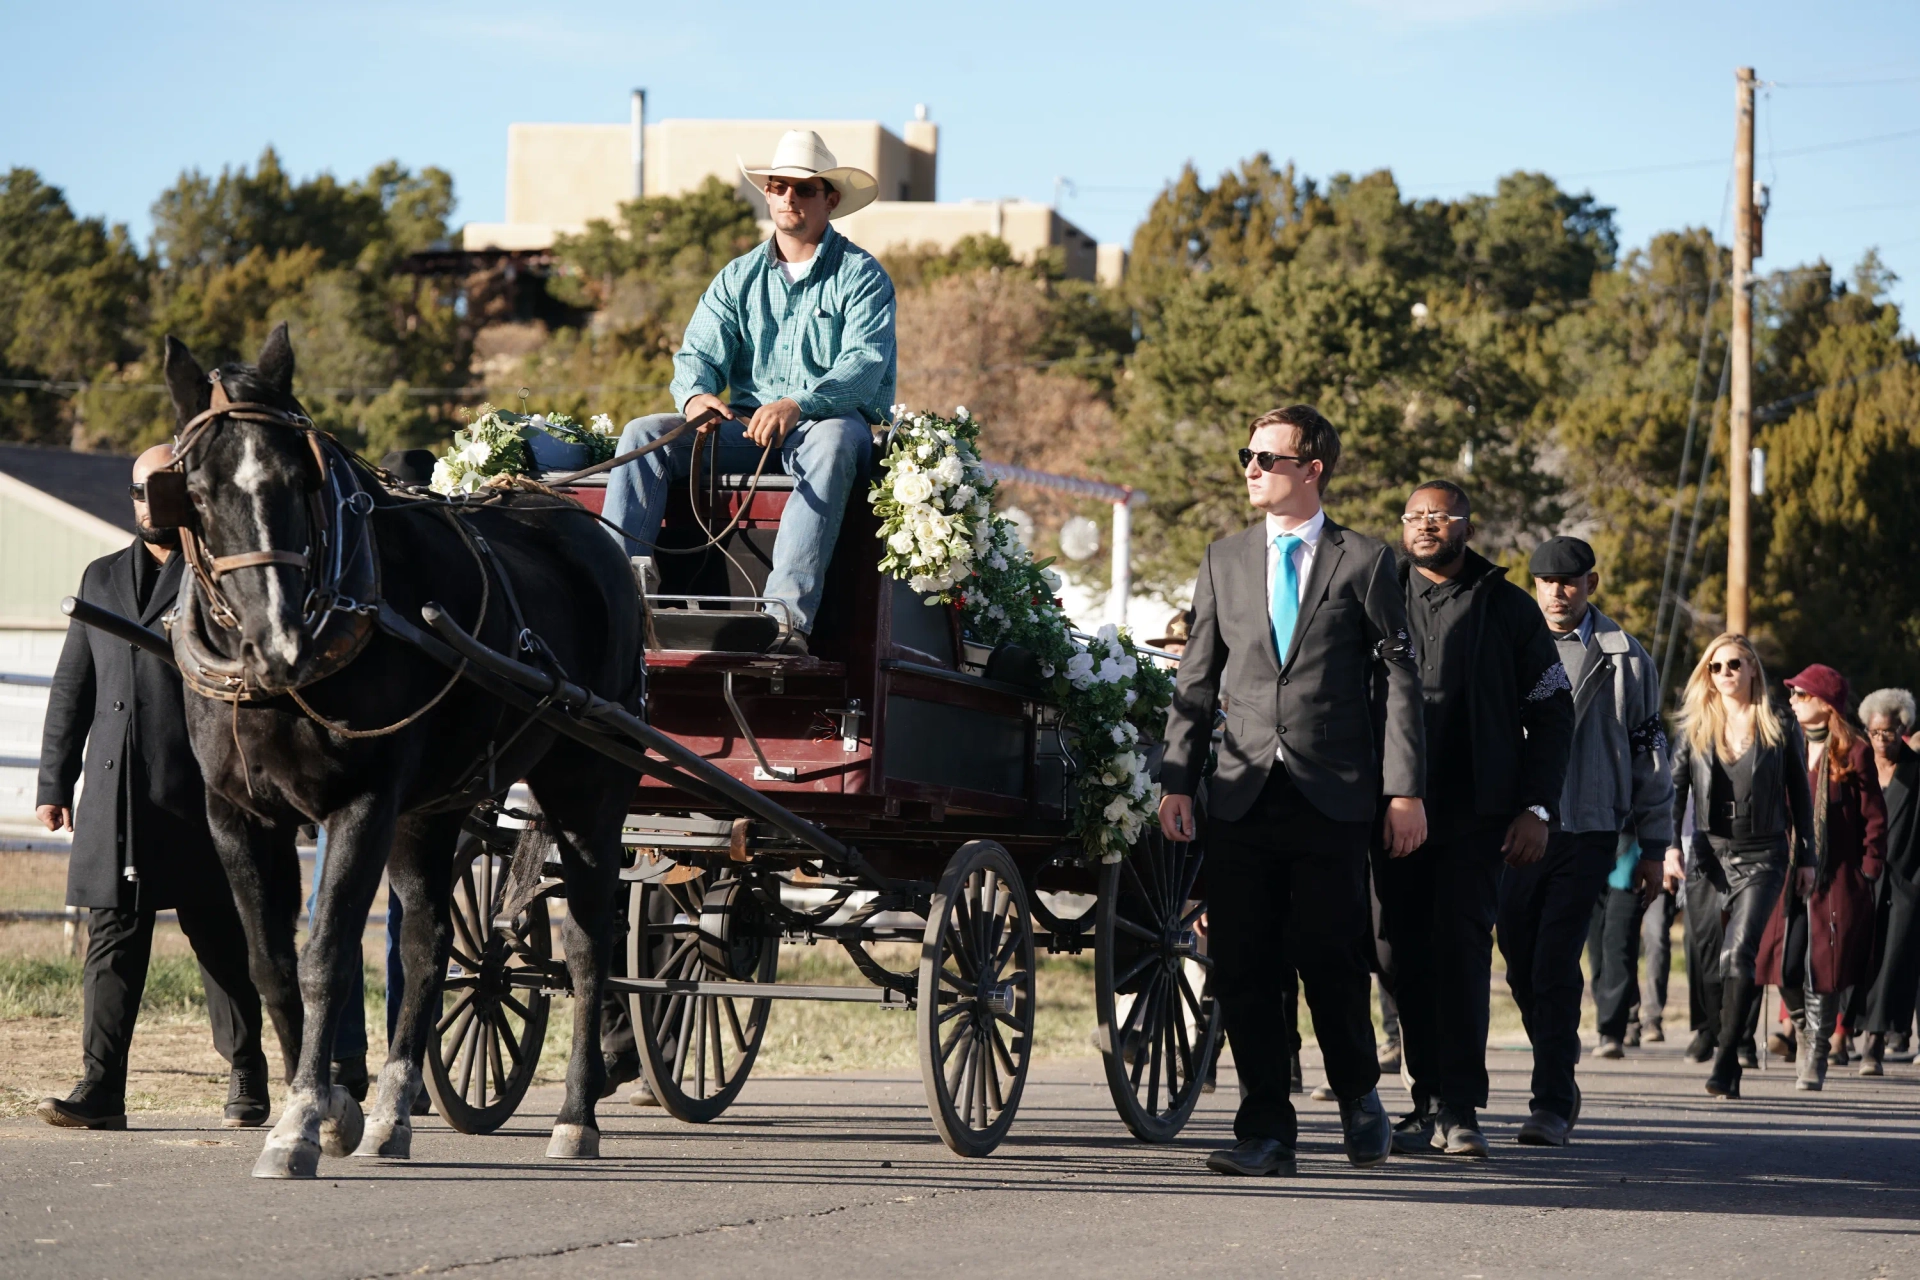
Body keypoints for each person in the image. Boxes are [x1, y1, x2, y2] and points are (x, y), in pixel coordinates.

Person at [1160, 404, 1423, 1177]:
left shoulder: (1369, 561)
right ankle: (1266, 1130)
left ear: (1311, 470)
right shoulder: (1223, 559)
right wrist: (1178, 779)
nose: (1250, 467)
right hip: (1239, 792)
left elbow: (1400, 684)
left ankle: (1357, 1097)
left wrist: (1403, 789)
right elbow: (1195, 678)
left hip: (1332, 796)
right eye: (1248, 454)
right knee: (1244, 965)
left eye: (1267, 458)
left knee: (1331, 958)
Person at [33, 445, 271, 1130]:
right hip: (115, 796)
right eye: (143, 490)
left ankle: (247, 1075)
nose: (151, 504)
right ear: (130, 497)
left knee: (221, 940)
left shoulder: (220, 579)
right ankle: (102, 1089)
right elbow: (72, 686)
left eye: (165, 490)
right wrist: (56, 779)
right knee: (110, 941)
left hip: (200, 790)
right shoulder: (101, 577)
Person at [601, 130, 893, 654]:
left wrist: (799, 403)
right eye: (778, 187)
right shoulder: (737, 278)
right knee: (643, 432)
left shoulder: (861, 276)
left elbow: (863, 366)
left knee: (832, 441)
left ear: (830, 200)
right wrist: (696, 398)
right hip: (746, 427)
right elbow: (697, 356)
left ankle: (785, 621)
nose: (788, 198)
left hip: (823, 426)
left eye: (803, 190)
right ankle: (613, 598)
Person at [1380, 484, 1573, 1159]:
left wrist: (1535, 807)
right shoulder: (1375, 599)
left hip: (1476, 814)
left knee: (1458, 950)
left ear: (1466, 525)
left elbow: (1553, 711)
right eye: (1416, 516)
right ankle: (1424, 1099)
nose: (1427, 526)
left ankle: (1458, 1108)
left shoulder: (1511, 609)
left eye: (1441, 515)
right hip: (1388, 809)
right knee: (1394, 951)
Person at [1495, 536, 1668, 1145]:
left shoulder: (1625, 656)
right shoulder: (1511, 643)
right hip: (1517, 827)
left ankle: (1548, 1101)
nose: (1557, 592)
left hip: (1590, 826)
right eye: (1545, 581)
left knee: (1555, 962)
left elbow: (1651, 754)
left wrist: (1653, 845)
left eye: (1569, 582)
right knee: (1518, 954)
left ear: (1590, 585)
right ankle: (1561, 1073)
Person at [1663, 634, 1815, 1099]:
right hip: (1709, 853)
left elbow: (1800, 795)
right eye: (1715, 667)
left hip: (1763, 852)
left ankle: (1729, 1056)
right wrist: (1670, 848)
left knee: (1738, 953)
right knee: (1707, 960)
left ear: (1752, 670)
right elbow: (1674, 792)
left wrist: (1806, 855)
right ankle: (1721, 1036)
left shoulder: (1778, 724)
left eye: (1734, 665)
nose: (1725, 674)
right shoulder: (1695, 727)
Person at [1754, 665, 1886, 1090]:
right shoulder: (1783, 743)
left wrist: (1868, 870)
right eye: (1791, 694)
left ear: (1825, 704)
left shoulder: (1855, 752)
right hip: (1787, 873)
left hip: (1838, 876)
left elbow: (1874, 818)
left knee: (1823, 968)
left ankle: (1816, 1052)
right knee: (1785, 963)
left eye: (1801, 694)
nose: (1791, 700)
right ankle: (1806, 1031)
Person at [1857, 688, 1920, 1075]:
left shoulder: (1916, 769)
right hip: (1861, 878)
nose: (1882, 740)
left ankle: (1875, 1042)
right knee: (1858, 959)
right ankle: (1840, 1034)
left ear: (1904, 730)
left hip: (1905, 880)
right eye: (1876, 732)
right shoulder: (1858, 763)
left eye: (1890, 732)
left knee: (1893, 961)